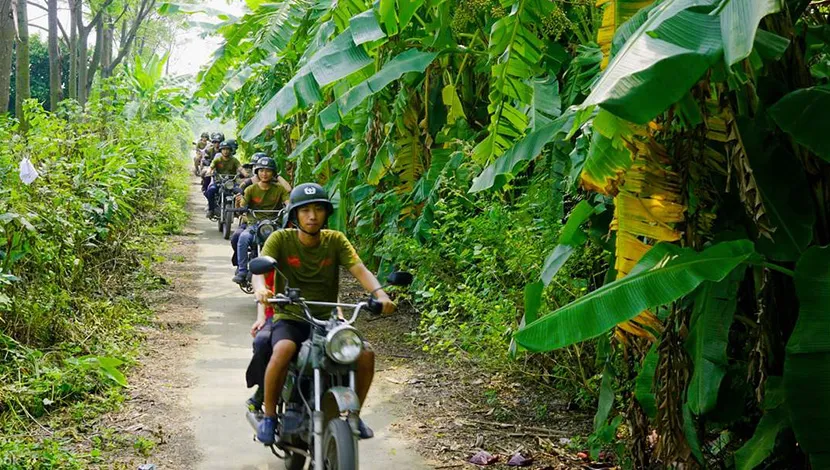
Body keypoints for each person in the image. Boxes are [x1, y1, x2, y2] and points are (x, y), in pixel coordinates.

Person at [251, 183, 396, 445]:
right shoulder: (281, 239)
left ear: (326, 213)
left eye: (318, 209)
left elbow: (359, 269)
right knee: (282, 349)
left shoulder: (336, 240)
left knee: (364, 354)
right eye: (305, 210)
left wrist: (381, 295)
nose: (312, 216)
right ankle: (270, 415)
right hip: (292, 316)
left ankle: (354, 414)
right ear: (294, 215)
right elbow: (259, 271)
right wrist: (261, 289)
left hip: (329, 320)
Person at [232, 156, 290, 284]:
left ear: (273, 173)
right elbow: (243, 205)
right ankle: (242, 270)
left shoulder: (279, 189)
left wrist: (290, 207)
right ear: (257, 171)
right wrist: (241, 207)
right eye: (261, 170)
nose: (264, 174)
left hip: (274, 224)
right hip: (254, 224)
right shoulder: (250, 189)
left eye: (268, 171)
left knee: (287, 241)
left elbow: (288, 201)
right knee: (242, 238)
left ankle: (287, 272)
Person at [204, 140, 241, 218]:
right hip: (219, 182)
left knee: (241, 192)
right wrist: (209, 172)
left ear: (230, 150)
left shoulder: (234, 160)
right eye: (223, 149)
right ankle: (211, 209)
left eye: (227, 149)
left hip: (231, 183)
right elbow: (211, 167)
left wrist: (245, 173)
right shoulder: (218, 159)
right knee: (210, 191)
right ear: (221, 150)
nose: (225, 151)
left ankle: (239, 211)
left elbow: (240, 168)